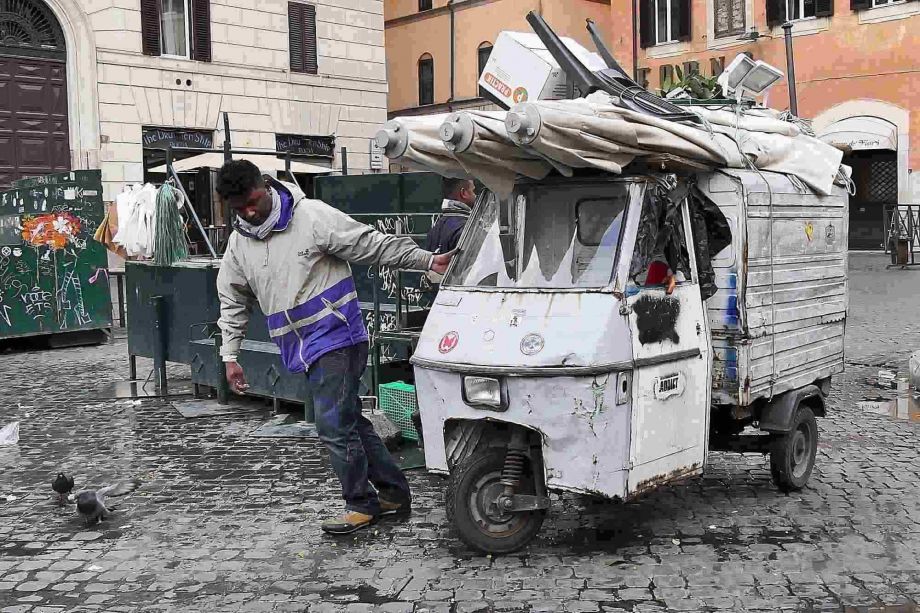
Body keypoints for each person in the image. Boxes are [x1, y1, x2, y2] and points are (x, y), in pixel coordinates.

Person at [214, 160, 451, 535]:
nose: (248, 211)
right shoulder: (238, 244)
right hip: (301, 346)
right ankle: (393, 493)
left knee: (332, 424)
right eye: (238, 207)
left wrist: (425, 260)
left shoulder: (311, 217)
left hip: (337, 336)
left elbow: (371, 243)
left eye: (253, 201)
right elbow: (232, 299)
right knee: (348, 419)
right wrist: (230, 355)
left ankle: (361, 503)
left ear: (265, 184)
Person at [425, 177, 477, 279]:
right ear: (464, 193)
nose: (476, 196)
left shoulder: (435, 227)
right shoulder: (468, 229)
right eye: (473, 190)